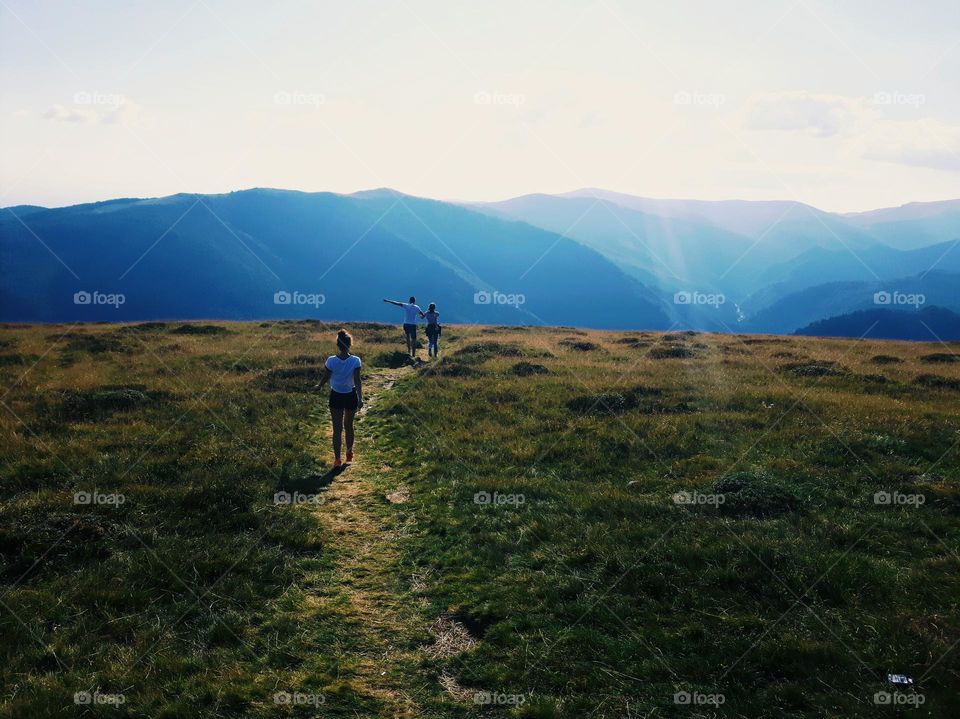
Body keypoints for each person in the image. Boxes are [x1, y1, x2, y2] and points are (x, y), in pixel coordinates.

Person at [315, 329, 363, 468]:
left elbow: (326, 377)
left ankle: (337, 459)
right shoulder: (355, 360)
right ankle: (349, 453)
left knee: (337, 429)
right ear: (350, 344)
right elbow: (357, 380)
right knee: (349, 426)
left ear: (338, 344)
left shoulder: (331, 360)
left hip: (335, 395)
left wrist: (319, 386)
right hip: (350, 395)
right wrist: (360, 398)